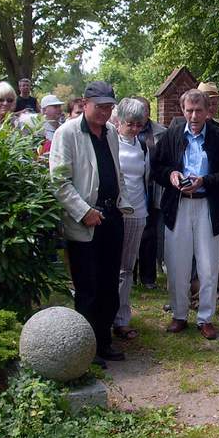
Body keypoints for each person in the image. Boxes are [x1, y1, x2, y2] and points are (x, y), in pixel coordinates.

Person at [50, 81, 132, 365]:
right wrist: (84, 211)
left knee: (110, 284)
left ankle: (104, 340)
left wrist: (121, 204)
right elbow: (59, 181)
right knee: (88, 287)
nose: (105, 112)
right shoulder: (67, 133)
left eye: (109, 107)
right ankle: (86, 348)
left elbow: (115, 171)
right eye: (100, 107)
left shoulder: (110, 132)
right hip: (85, 221)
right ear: (84, 103)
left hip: (111, 218)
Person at [151, 89, 219, 340]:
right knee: (177, 263)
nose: (194, 115)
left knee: (208, 265)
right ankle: (179, 314)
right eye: (189, 110)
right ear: (182, 110)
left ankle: (205, 317)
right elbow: (157, 167)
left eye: (199, 110)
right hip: (177, 204)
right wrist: (171, 175)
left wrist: (205, 181)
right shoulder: (172, 135)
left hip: (207, 204)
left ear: (208, 110)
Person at [112, 98, 151, 340]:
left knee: (126, 268)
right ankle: (105, 316)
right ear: (118, 122)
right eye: (130, 124)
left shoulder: (143, 145)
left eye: (140, 124)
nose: (135, 129)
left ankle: (122, 319)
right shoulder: (110, 142)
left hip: (138, 213)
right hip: (115, 213)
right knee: (111, 268)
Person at [135, 96, 167, 289]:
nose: (142, 114)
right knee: (131, 231)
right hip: (132, 188)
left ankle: (148, 277)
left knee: (150, 233)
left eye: (145, 110)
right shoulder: (123, 130)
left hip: (153, 188)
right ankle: (129, 274)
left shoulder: (161, 132)